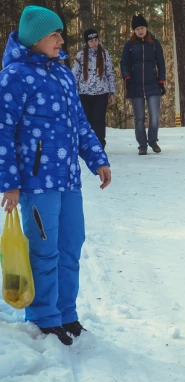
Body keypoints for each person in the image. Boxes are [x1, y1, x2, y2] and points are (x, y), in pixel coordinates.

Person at [0, 6, 112, 346]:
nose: (61, 39)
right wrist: (11, 183)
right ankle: (44, 316)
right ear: (35, 39)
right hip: (37, 183)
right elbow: (3, 130)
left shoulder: (63, 74)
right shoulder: (15, 76)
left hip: (69, 182)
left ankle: (66, 313)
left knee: (70, 246)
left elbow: (80, 123)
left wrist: (98, 159)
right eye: (54, 34)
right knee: (44, 251)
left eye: (60, 33)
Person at [120, 14, 165, 155]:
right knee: (139, 117)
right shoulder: (130, 45)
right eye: (137, 29)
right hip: (135, 85)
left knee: (155, 116)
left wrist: (162, 80)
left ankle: (153, 141)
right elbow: (124, 63)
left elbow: (161, 63)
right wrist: (127, 77)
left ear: (146, 28)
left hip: (153, 84)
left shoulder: (155, 43)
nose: (140, 31)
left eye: (142, 28)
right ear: (134, 30)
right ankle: (142, 145)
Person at [71, 28, 117, 149]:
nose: (94, 43)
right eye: (91, 41)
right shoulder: (80, 55)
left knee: (99, 119)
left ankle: (100, 143)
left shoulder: (104, 54)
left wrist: (112, 92)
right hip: (84, 92)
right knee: (86, 120)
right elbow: (74, 74)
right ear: (87, 42)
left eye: (96, 40)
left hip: (101, 92)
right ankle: (87, 143)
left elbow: (110, 73)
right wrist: (73, 93)